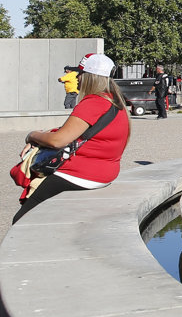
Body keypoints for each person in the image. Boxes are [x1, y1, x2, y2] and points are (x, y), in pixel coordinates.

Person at [15, 53, 131, 223]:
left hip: (80, 174)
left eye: (80, 74)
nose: (77, 78)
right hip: (104, 172)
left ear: (89, 77)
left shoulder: (93, 102)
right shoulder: (114, 102)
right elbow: (74, 131)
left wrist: (32, 135)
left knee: (20, 221)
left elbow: (58, 141)